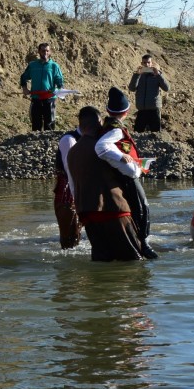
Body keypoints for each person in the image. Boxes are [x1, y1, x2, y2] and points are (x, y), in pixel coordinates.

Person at [67, 105, 143, 262]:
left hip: (87, 214)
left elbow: (73, 185)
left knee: (102, 262)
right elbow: (132, 172)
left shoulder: (72, 152)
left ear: (80, 126)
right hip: (114, 210)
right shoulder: (105, 148)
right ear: (100, 122)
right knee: (134, 261)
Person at [94, 87, 158, 259]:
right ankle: (143, 243)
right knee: (142, 208)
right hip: (127, 177)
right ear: (127, 111)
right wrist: (121, 156)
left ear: (108, 110)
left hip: (122, 174)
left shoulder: (109, 126)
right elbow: (100, 147)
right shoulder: (115, 130)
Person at [53, 114, 83, 249]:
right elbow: (69, 169)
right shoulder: (69, 139)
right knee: (69, 240)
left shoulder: (94, 139)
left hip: (80, 188)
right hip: (67, 191)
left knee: (77, 233)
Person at [20, 43, 64, 131]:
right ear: (39, 51)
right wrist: (24, 88)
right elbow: (23, 77)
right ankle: (35, 143)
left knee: (50, 125)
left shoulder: (54, 66)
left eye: (47, 51)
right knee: (36, 124)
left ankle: (49, 143)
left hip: (49, 99)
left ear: (50, 52)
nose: (45, 53)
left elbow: (59, 81)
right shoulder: (33, 65)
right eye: (43, 51)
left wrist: (60, 90)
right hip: (36, 98)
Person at [128, 54, 170, 132]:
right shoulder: (138, 75)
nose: (146, 65)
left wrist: (158, 75)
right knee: (137, 132)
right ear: (141, 63)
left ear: (151, 63)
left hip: (154, 109)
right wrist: (137, 75)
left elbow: (167, 88)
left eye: (148, 62)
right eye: (144, 63)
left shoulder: (157, 75)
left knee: (155, 134)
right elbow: (132, 88)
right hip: (142, 110)